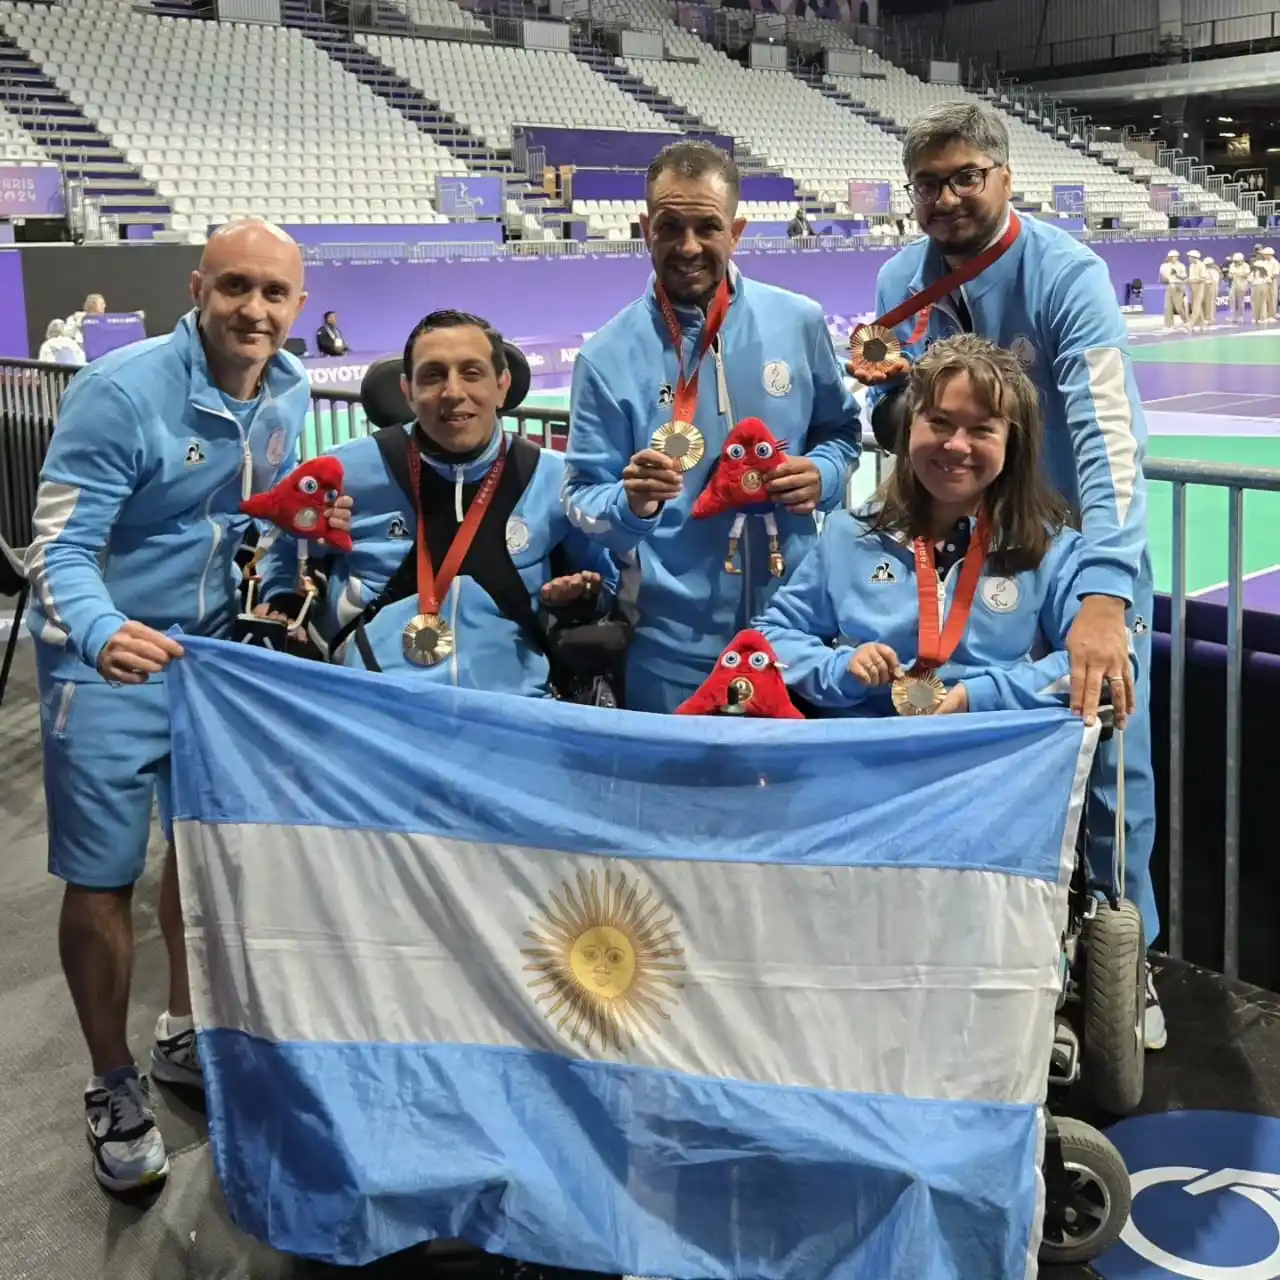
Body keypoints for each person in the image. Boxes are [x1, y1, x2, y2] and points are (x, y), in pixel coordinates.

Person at [23, 219, 348, 1192]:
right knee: (102, 875)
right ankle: (108, 1078)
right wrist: (95, 629)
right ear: (199, 287)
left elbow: (267, 519)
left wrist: (299, 590)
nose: (254, 310)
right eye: (235, 287)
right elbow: (58, 549)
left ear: (298, 303)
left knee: (194, 854)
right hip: (110, 664)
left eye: (274, 294)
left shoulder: (288, 387)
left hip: (212, 665)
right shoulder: (120, 393)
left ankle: (176, 1030)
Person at [860, 101, 1163, 1050]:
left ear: (1003, 177)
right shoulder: (900, 276)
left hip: (1069, 552)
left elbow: (1112, 443)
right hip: (953, 550)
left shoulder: (1065, 274)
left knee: (1109, 749)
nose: (948, 197)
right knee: (945, 740)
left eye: (966, 178)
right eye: (929, 183)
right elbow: (896, 427)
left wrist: (1106, 593)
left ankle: (1127, 959)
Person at [562, 139, 862, 714]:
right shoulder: (605, 356)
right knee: (679, 802)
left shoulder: (798, 322)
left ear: (737, 230)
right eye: (670, 226)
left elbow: (842, 434)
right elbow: (579, 498)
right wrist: (632, 504)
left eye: (707, 227)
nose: (688, 246)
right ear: (644, 226)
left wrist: (821, 474)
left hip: (796, 638)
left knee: (794, 801)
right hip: (670, 650)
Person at [756, 335, 1119, 720]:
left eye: (982, 430)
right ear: (910, 425)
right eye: (940, 422)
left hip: (991, 766)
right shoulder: (848, 535)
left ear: (1012, 443)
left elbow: (1098, 666)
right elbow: (772, 637)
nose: (957, 445)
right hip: (866, 768)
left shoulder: (1050, 548)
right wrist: (841, 668)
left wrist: (979, 695)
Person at [259, 310, 618, 698]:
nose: (453, 392)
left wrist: (581, 600)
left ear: (503, 385)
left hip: (515, 718)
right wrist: (282, 596)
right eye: (433, 375)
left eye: (472, 372)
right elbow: (280, 541)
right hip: (373, 714)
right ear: (407, 391)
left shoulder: (555, 479)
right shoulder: (343, 470)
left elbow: (606, 581)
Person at [1157, 250, 1188, 331]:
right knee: (1168, 306)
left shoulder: (1181, 266)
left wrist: (1176, 275)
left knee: (1178, 307)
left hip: (1178, 286)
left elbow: (1184, 278)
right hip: (1169, 286)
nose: (1174, 258)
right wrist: (1165, 280)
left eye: (1176, 256)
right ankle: (1169, 325)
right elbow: (1161, 278)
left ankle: (1186, 321)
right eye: (1173, 257)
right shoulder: (1164, 266)